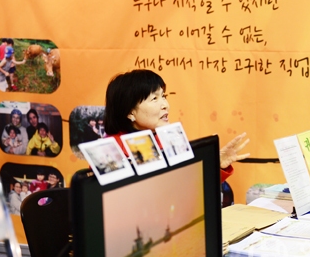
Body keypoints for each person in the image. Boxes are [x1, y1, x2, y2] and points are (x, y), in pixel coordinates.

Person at [104, 69, 250, 182]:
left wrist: (216, 165)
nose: (165, 105)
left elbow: (190, 185)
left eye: (163, 96)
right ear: (130, 112)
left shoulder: (170, 138)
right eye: (154, 99)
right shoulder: (109, 151)